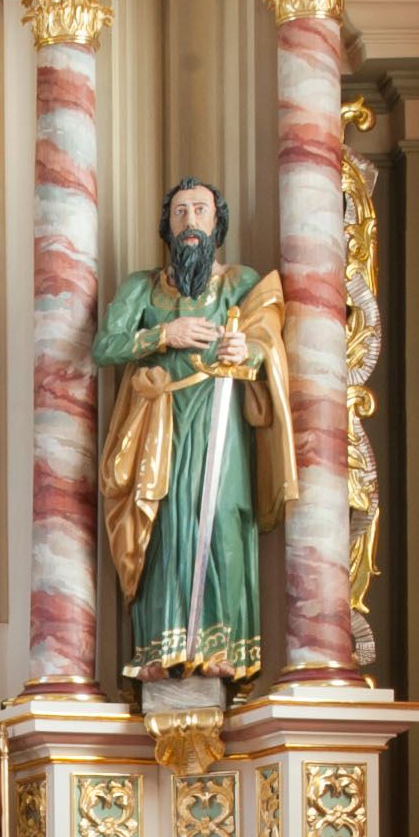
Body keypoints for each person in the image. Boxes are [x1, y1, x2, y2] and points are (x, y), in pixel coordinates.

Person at [95, 178, 296, 682]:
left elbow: (266, 338)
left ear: (217, 224)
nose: (190, 221)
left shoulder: (241, 284)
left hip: (221, 421)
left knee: (223, 516)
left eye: (200, 211)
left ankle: (223, 648)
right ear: (166, 226)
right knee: (165, 523)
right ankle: (160, 651)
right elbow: (105, 346)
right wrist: (164, 333)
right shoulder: (142, 287)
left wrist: (246, 351)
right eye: (180, 212)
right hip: (160, 422)